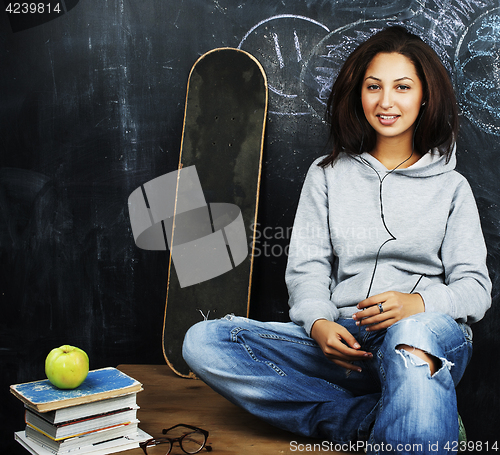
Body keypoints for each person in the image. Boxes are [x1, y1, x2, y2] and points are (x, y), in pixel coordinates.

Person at [182, 26, 491, 454]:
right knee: (203, 342)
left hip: (426, 338)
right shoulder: (326, 175)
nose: (386, 101)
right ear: (357, 93)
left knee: (413, 338)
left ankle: (403, 411)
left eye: (402, 87)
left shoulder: (452, 187)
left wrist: (418, 305)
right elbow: (307, 269)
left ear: (425, 96)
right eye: (373, 86)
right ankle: (374, 420)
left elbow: (475, 290)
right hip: (347, 343)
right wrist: (319, 322)